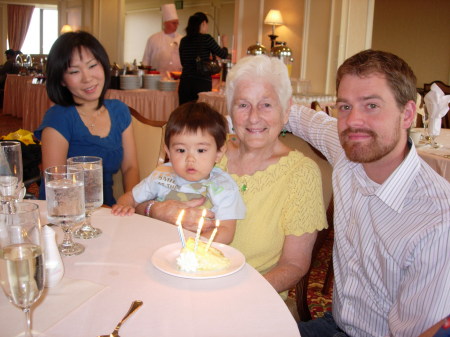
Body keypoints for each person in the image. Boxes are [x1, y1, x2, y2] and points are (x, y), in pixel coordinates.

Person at [287, 50, 450, 337]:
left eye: (372, 105)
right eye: (345, 107)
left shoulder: (437, 220)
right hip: (334, 323)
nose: (353, 121)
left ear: (408, 114)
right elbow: (302, 118)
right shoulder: (347, 154)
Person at [135, 55, 328, 298]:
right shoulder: (205, 149)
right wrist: (156, 209)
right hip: (178, 277)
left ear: (286, 109)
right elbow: (138, 204)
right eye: (243, 104)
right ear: (230, 109)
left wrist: (241, 293)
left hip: (249, 297)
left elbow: (294, 265)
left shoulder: (301, 174)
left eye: (266, 104)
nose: (254, 117)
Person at [112, 102, 246, 243]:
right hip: (153, 244)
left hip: (194, 254)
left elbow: (226, 232)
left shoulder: (223, 186)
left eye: (201, 150)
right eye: (181, 150)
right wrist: (123, 206)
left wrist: (188, 247)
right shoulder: (162, 174)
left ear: (219, 153)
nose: (190, 159)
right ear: (168, 151)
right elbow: (131, 198)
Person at [34, 31, 140, 206]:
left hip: (109, 212)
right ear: (62, 80)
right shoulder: (58, 118)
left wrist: (128, 203)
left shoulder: (119, 110)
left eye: (92, 66)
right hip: (66, 214)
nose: (87, 78)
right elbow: (56, 187)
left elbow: (130, 167)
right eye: (75, 71)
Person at [178, 12, 228, 105]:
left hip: (185, 82)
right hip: (202, 82)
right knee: (200, 114)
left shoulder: (184, 41)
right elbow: (223, 54)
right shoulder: (206, 38)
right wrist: (224, 44)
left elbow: (183, 62)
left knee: (184, 113)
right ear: (204, 23)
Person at [142, 3, 182, 75]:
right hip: (156, 78)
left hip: (177, 78)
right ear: (165, 23)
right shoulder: (153, 39)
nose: (176, 25)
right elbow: (146, 60)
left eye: (177, 23)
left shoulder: (182, 39)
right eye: (173, 23)